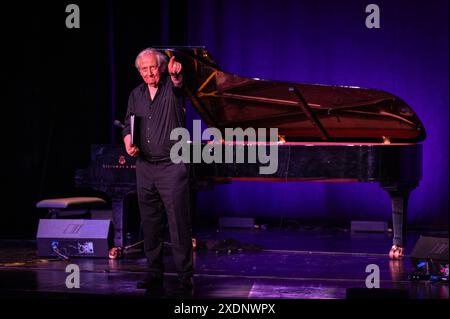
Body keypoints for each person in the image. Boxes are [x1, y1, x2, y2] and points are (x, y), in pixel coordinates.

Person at [122, 48, 194, 290]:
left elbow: (179, 84)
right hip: (144, 167)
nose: (149, 72)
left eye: (153, 67)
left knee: (178, 222)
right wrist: (128, 141)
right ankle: (154, 273)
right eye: (144, 69)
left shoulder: (172, 89)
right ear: (139, 72)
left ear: (161, 67)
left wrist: (176, 75)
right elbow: (127, 125)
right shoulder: (136, 95)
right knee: (150, 224)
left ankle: (185, 276)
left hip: (171, 167)